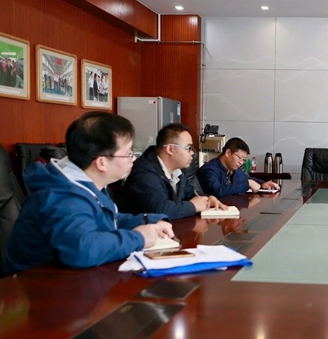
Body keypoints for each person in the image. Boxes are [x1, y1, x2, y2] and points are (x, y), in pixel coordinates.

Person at [5, 112, 173, 275]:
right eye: (128, 153)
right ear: (101, 163)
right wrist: (139, 238)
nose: (133, 159)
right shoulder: (63, 196)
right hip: (34, 286)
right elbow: (82, 249)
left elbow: (109, 220)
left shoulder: (85, 182)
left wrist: (148, 220)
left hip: (72, 279)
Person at [120, 123, 226, 220]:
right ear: (170, 149)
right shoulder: (144, 173)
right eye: (188, 148)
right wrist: (193, 206)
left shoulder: (177, 171)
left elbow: (191, 195)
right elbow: (160, 210)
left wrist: (208, 199)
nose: (192, 153)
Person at [197, 137, 279, 198]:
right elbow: (219, 191)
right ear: (228, 153)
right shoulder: (209, 170)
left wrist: (262, 184)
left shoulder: (232, 169)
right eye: (240, 158)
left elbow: (246, 179)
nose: (241, 162)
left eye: (244, 160)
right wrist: (248, 184)